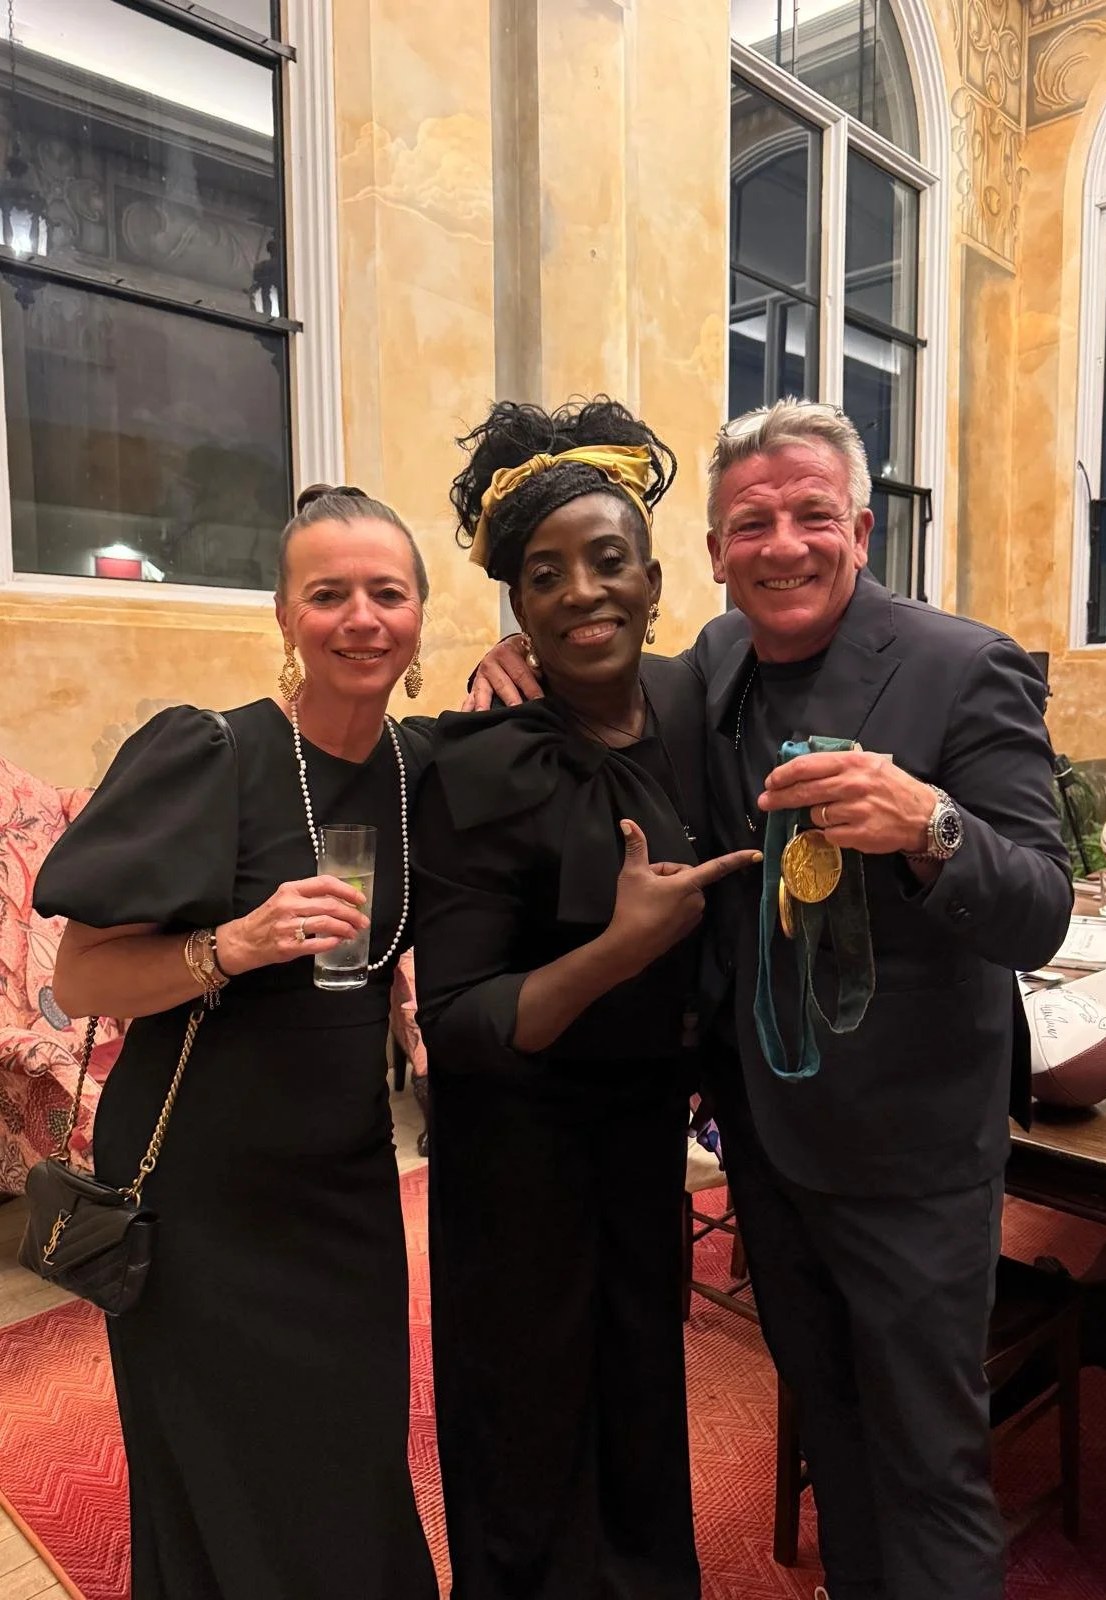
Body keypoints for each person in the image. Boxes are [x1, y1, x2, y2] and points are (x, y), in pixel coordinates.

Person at [468, 398, 1074, 1600]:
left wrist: (932, 825)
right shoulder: (719, 656)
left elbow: (1042, 904)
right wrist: (523, 665)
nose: (782, 544)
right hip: (768, 1138)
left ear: (859, 526)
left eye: (811, 516)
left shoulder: (965, 666)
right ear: (712, 552)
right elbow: (616, 680)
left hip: (912, 1158)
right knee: (834, 1430)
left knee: (931, 1460)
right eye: (752, 522)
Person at [33, 486, 439, 1600]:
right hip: (198, 1189)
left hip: (345, 1183)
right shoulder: (212, 753)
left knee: (349, 1457)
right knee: (225, 1466)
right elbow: (78, 976)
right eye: (328, 594)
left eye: (386, 593)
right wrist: (228, 946)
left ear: (419, 618)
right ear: (284, 616)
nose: (360, 617)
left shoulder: (418, 769)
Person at [411, 397, 761, 1600]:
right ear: (516, 610)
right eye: (544, 577)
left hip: (639, 1131)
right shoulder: (475, 760)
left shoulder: (692, 705)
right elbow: (454, 1023)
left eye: (606, 561)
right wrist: (616, 950)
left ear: (655, 580)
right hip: (515, 1153)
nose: (580, 593)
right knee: (529, 1423)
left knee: (638, 1395)